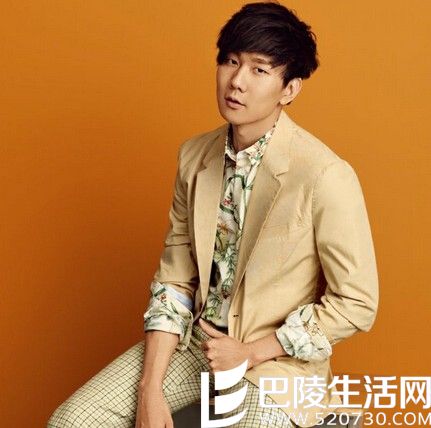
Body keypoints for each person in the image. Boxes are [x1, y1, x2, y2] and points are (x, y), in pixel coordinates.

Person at [47, 2, 379, 427]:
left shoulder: (324, 175)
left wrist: (252, 352)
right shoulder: (194, 157)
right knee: (72, 420)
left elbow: (356, 303)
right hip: (196, 346)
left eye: (259, 70)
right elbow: (175, 281)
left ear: (289, 89)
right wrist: (150, 389)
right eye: (231, 61)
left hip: (277, 365)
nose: (237, 81)